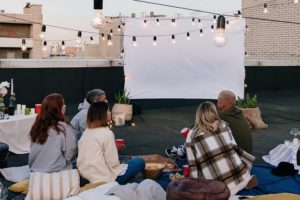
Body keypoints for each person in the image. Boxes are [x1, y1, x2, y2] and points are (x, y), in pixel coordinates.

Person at [185, 101, 255, 195]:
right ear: (215, 112)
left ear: (198, 115)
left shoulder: (192, 135)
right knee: (235, 158)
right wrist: (245, 162)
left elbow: (192, 164)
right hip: (241, 178)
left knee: (201, 175)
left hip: (220, 189)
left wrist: (194, 184)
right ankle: (246, 179)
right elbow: (234, 147)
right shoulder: (223, 124)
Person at [165, 90, 253, 160]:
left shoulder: (222, 116)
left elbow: (196, 128)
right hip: (246, 158)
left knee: (198, 134)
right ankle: (183, 150)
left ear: (222, 104)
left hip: (235, 159)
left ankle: (181, 152)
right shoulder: (239, 113)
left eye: (218, 101)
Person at [77, 102, 145, 184]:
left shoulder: (86, 132)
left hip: (84, 175)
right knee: (138, 161)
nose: (110, 112)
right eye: (108, 111)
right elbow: (112, 163)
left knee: (126, 162)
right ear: (104, 114)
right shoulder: (107, 133)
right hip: (103, 179)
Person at [28, 93, 77, 173]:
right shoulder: (63, 127)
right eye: (63, 104)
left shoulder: (37, 126)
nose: (65, 106)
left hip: (35, 169)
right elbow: (69, 155)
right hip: (55, 170)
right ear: (56, 108)